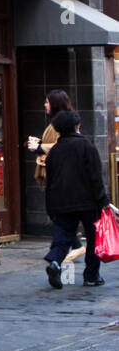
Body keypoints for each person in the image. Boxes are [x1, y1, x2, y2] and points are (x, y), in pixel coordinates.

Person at [42, 109, 110, 288]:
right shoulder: (87, 146)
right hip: (88, 201)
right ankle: (91, 276)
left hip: (61, 200)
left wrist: (50, 206)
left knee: (63, 236)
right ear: (77, 126)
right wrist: (103, 200)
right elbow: (95, 177)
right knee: (93, 238)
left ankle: (55, 263)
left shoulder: (55, 151)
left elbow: (50, 181)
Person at [27, 90, 73, 187]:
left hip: (60, 171)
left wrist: (39, 147)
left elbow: (63, 144)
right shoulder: (57, 120)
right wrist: (39, 142)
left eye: (47, 102)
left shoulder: (63, 122)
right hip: (56, 170)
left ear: (55, 104)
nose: (45, 105)